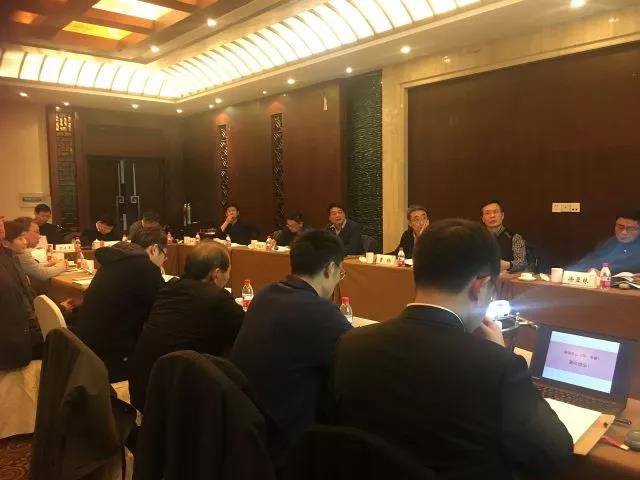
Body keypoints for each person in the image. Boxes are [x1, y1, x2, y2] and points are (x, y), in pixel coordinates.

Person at [331, 218, 573, 479]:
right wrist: (500, 354)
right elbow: (554, 452)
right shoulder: (497, 366)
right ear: (481, 286)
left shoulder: (352, 344)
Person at [231, 230, 352, 467]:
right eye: (340, 272)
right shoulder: (321, 314)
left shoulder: (265, 294)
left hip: (247, 427)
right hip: (286, 441)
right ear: (330, 269)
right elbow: (354, 366)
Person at [128, 242, 244, 411]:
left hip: (142, 386)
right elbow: (245, 331)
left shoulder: (169, 289)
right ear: (217, 274)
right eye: (228, 271)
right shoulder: (218, 298)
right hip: (177, 399)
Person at [71, 227, 167, 382]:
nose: (164, 260)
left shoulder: (115, 260)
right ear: (154, 249)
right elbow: (163, 304)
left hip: (88, 349)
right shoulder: (143, 267)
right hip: (113, 358)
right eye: (165, 255)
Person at [0, 220, 44, 369]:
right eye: (20, 238)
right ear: (6, 243)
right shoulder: (7, 262)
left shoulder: (10, 259)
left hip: (23, 329)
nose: (25, 242)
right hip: (16, 342)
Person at [567, 209, 640, 274]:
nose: (624, 232)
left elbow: (628, 266)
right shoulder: (610, 242)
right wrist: (568, 272)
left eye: (630, 229)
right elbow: (590, 260)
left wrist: (603, 271)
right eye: (620, 227)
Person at [13, 216, 66, 281]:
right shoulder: (21, 251)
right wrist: (63, 265)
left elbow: (33, 269)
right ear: (23, 233)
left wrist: (49, 265)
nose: (39, 236)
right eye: (36, 232)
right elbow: (42, 274)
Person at [481, 200, 527, 272]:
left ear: (502, 216)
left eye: (495, 212)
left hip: (507, 277)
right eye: (487, 213)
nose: (492, 216)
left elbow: (522, 263)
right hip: (482, 277)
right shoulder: (477, 238)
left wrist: (508, 265)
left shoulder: (514, 237)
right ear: (483, 219)